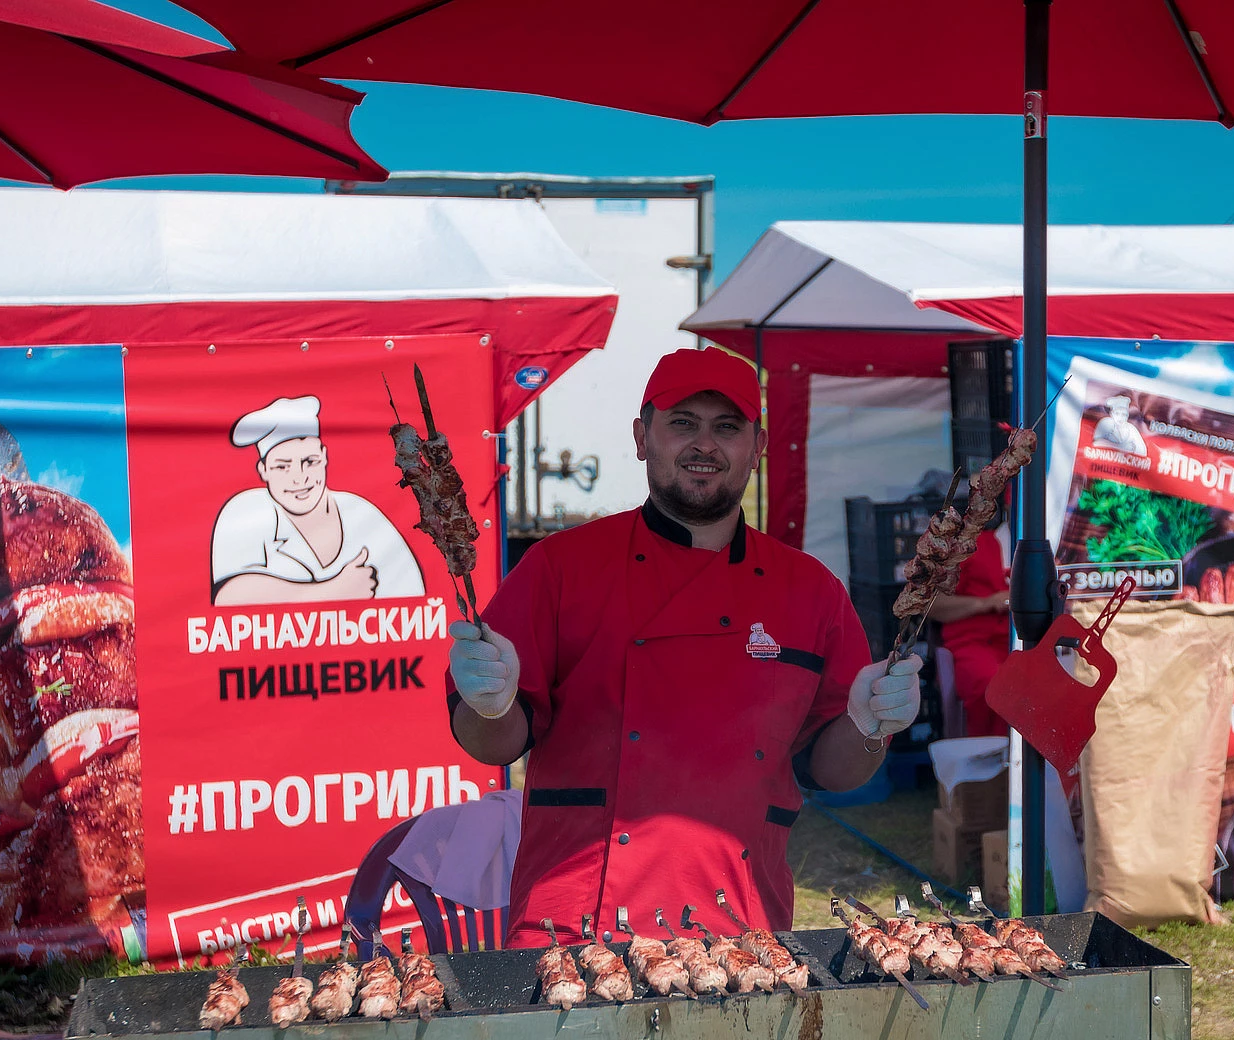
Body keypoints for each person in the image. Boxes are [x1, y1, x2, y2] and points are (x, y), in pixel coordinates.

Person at [445, 348, 923, 947]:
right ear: (642, 437)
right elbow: (492, 741)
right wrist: (490, 704)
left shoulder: (812, 592)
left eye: (726, 427)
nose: (705, 445)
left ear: (759, 445)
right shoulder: (561, 567)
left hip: (743, 928)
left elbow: (832, 770)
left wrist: (871, 724)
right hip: (574, 927)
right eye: (682, 423)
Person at [210, 395, 424, 604]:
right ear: (263, 470)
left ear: (324, 457)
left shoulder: (361, 512)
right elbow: (228, 596)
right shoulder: (245, 510)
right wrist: (336, 590)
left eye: (309, 461)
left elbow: (415, 600)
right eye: (282, 466)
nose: (300, 477)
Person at [931, 524, 1012, 736]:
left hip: (1030, 646)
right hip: (974, 645)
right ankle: (993, 760)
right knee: (994, 684)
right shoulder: (972, 547)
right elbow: (932, 604)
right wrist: (986, 603)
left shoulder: (1057, 550)